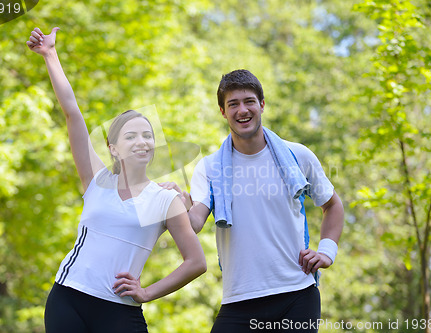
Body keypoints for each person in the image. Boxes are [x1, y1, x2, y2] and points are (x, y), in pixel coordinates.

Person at [26, 27, 206, 333]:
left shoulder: (165, 199)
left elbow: (196, 262)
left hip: (120, 311)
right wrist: (50, 55)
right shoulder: (96, 179)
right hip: (68, 297)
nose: (142, 141)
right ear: (113, 148)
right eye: (131, 135)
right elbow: (72, 112)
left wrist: (147, 292)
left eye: (148, 136)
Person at [165, 69, 344, 332]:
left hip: (296, 294)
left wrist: (327, 252)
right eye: (233, 104)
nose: (242, 110)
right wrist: (176, 203)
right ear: (223, 112)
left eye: (249, 101)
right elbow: (194, 223)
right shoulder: (210, 167)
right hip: (239, 299)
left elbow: (332, 205)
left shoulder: (298, 155)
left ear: (262, 104)